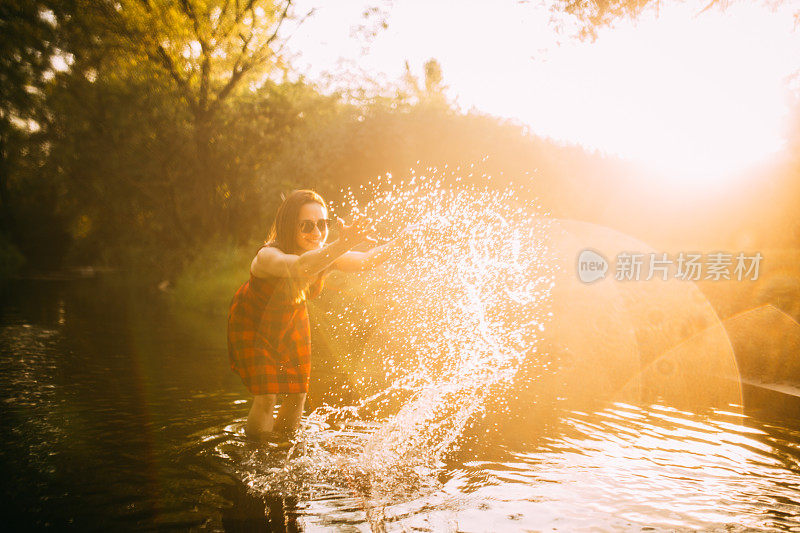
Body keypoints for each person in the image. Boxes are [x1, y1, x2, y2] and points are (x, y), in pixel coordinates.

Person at [227, 189, 405, 443]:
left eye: (322, 224)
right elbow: (300, 267)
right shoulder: (267, 256)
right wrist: (341, 244)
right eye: (307, 226)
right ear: (289, 226)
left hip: (290, 319)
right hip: (252, 323)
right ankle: (259, 453)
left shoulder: (325, 255)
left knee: (298, 392)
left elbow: (365, 259)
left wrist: (406, 241)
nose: (317, 233)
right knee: (267, 395)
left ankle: (285, 447)